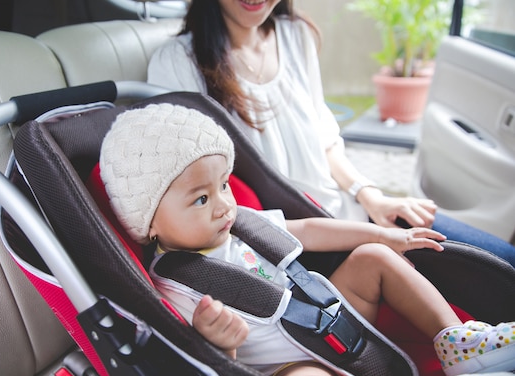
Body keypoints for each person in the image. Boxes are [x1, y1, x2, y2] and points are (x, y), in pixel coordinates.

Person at [99, 103, 515, 376]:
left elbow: (308, 230)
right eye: (202, 198)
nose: (224, 205)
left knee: (373, 257)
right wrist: (221, 343)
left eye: (224, 184)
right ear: (149, 221)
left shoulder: (240, 221)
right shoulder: (173, 284)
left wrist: (384, 234)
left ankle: (458, 342)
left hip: (330, 309)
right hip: (284, 364)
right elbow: (208, 369)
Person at [146, 0, 515, 269]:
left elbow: (324, 140)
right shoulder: (177, 64)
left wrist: (372, 197)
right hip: (290, 244)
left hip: (347, 214)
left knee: (502, 259)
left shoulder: (296, 36)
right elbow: (189, 192)